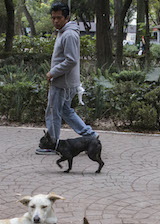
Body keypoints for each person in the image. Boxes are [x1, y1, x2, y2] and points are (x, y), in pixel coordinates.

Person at [36, 2, 97, 155]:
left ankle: (52, 143)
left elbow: (71, 60)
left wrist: (52, 73)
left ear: (67, 17)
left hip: (62, 82)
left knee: (53, 112)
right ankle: (91, 136)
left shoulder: (69, 34)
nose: (55, 21)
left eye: (58, 18)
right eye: (53, 18)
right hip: (65, 81)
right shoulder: (64, 31)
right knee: (66, 111)